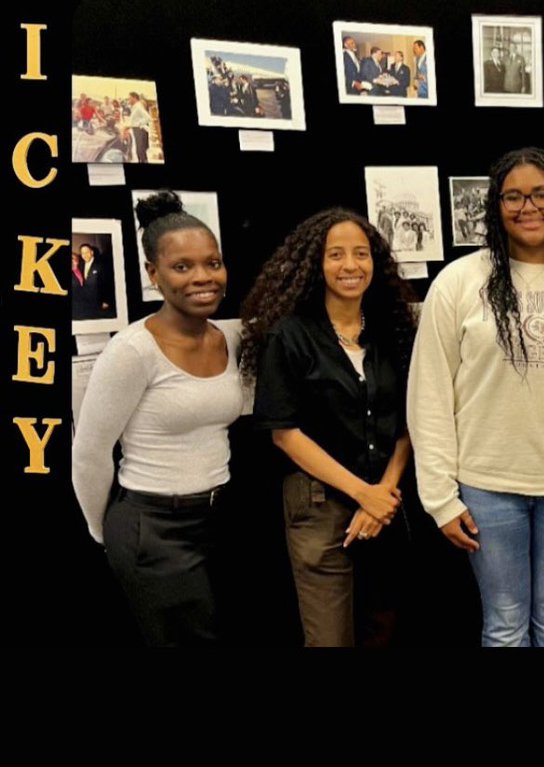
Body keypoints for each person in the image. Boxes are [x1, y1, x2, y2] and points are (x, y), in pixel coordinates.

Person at [407, 147, 544, 646]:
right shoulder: (460, 281)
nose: (528, 207)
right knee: (505, 626)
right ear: (495, 205)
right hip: (487, 486)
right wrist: (440, 497)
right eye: (513, 196)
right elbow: (429, 397)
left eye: (540, 194)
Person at [243, 208, 418, 647]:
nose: (350, 265)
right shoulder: (291, 335)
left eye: (361, 254)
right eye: (335, 254)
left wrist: (383, 494)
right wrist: (364, 493)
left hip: (386, 501)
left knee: (383, 627)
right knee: (330, 638)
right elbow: (284, 433)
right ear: (315, 265)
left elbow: (410, 421)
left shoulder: (391, 331)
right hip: (319, 503)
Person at [72, 191, 240, 645]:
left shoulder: (229, 337)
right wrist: (104, 530)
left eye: (212, 263)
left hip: (216, 519)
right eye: (182, 267)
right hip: (153, 528)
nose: (203, 277)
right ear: (153, 274)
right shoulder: (132, 351)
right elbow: (88, 453)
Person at [125, 91, 153, 162]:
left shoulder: (138, 107)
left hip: (139, 130)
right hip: (136, 130)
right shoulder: (135, 107)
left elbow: (148, 117)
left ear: (134, 98)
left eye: (130, 98)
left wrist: (139, 124)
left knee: (140, 150)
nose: (129, 100)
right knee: (139, 150)